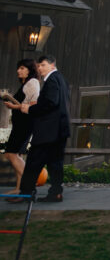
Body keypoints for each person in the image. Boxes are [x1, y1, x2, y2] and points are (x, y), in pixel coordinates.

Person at [13, 54, 70, 203]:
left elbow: (50, 103)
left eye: (43, 65)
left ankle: (26, 193)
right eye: (38, 66)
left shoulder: (52, 80)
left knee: (33, 162)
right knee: (55, 164)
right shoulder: (61, 79)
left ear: (52, 65)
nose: (40, 68)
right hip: (59, 130)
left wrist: (30, 110)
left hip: (48, 131)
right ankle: (56, 192)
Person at [3, 59, 39, 195]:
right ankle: (19, 189)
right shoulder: (26, 83)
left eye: (22, 68)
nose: (19, 71)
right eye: (19, 68)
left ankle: (29, 182)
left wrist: (13, 106)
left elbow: (34, 104)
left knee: (10, 154)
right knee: (17, 154)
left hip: (25, 123)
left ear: (30, 70)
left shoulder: (32, 83)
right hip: (20, 123)